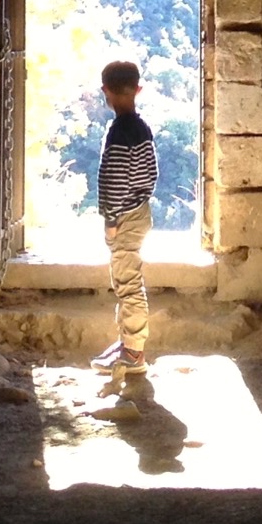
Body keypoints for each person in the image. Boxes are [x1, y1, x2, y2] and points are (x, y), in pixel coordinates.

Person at [90, 59, 158, 379]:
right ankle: (127, 345)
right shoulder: (142, 128)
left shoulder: (118, 133)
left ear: (106, 91)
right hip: (140, 209)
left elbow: (114, 181)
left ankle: (133, 353)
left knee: (128, 284)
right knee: (128, 280)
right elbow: (151, 173)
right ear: (138, 90)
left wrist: (112, 219)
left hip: (125, 217)